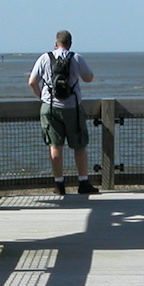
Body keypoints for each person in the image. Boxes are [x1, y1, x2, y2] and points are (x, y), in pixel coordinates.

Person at [28, 31, 98, 195]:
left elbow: (32, 82)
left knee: (55, 146)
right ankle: (83, 182)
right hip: (72, 107)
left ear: (55, 42)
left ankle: (59, 184)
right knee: (79, 145)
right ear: (70, 43)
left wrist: (42, 97)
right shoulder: (76, 57)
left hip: (50, 107)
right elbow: (88, 78)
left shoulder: (45, 58)